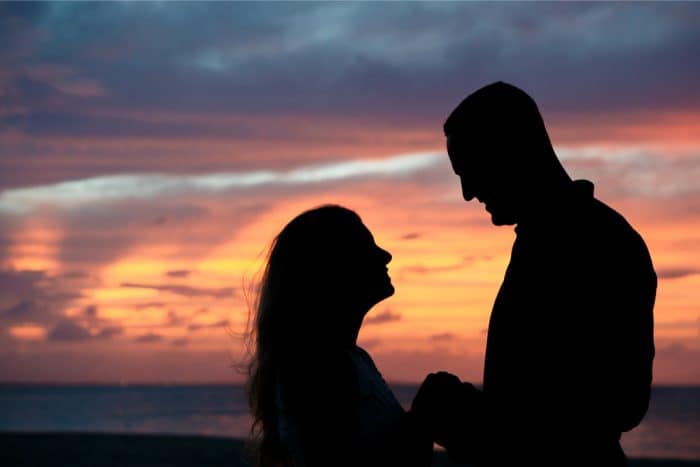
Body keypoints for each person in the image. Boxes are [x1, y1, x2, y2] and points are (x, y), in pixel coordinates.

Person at [412, 82, 657, 466]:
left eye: (471, 169)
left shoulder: (599, 241)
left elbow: (620, 403)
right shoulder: (544, 240)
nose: (467, 192)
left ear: (511, 150)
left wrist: (470, 421)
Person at [245, 205, 433, 467]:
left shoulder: (348, 359)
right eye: (367, 248)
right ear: (333, 270)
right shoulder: (321, 365)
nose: (386, 255)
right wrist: (425, 417)